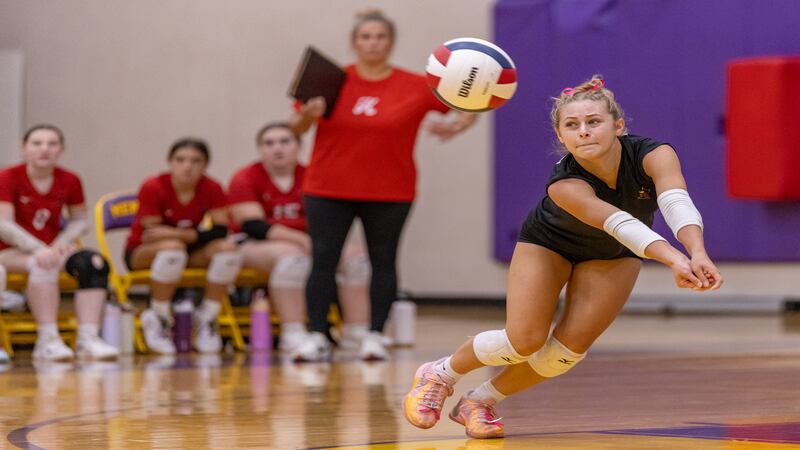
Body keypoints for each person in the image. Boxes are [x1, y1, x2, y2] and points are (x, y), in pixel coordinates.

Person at [402, 76, 724, 438]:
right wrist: (674, 260)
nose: (583, 132)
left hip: (612, 255)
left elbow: (675, 201)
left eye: (593, 122)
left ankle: (479, 401)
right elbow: (619, 223)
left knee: (564, 353)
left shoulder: (654, 153)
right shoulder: (564, 183)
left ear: (618, 126)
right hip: (550, 244)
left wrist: (697, 252)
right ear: (560, 136)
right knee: (524, 340)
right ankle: (440, 374)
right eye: (572, 125)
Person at [288, 9, 478, 361]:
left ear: (390, 43)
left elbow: (469, 103)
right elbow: (294, 129)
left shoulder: (417, 85)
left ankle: (375, 335)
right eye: (366, 37)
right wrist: (306, 116)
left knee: (383, 260)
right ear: (354, 42)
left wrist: (457, 126)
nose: (373, 43)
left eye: (380, 37)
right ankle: (316, 335)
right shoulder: (330, 79)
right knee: (323, 260)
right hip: (328, 188)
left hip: (390, 190)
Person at [228, 122, 371, 355]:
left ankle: (357, 333)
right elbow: (253, 226)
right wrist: (302, 240)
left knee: (357, 259)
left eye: (285, 142)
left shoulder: (312, 176)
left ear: (298, 146)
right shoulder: (245, 177)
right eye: (269, 143)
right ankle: (292, 333)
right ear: (260, 149)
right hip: (255, 245)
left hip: (310, 241)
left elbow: (333, 219)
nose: (277, 148)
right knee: (293, 261)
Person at [0, 124, 119, 361]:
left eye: (52, 144)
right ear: (24, 149)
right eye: (37, 143)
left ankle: (88, 338)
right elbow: (4, 225)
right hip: (12, 251)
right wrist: (40, 249)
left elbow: (79, 221)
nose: (45, 149)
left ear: (61, 149)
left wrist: (58, 246)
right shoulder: (8, 177)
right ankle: (48, 339)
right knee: (42, 263)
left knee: (93, 263)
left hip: (51, 247)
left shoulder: (70, 179)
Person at [125, 138, 242, 354]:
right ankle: (158, 316)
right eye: (180, 160)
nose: (187, 166)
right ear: (170, 162)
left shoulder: (212, 187)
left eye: (196, 161)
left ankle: (207, 317)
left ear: (205, 165)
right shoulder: (154, 186)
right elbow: (151, 233)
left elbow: (220, 230)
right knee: (172, 247)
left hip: (188, 250)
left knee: (228, 250)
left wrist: (180, 234)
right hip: (143, 252)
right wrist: (189, 235)